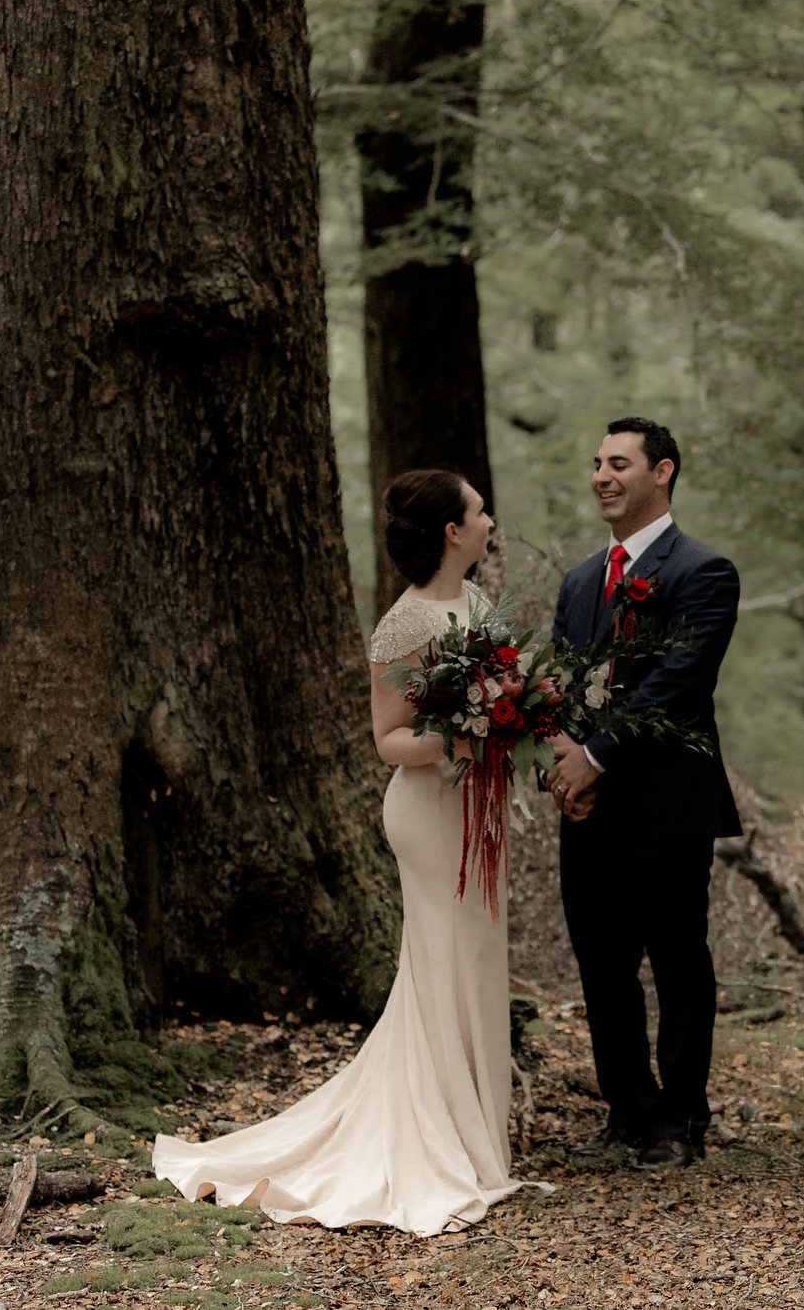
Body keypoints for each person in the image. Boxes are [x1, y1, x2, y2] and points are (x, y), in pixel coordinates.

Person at [152, 470, 519, 1236]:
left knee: (479, 960)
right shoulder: (401, 625)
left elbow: (504, 692)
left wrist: (514, 717)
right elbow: (388, 739)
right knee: (442, 961)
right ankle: (439, 1141)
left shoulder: (478, 602)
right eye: (479, 510)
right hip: (428, 814)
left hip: (476, 808)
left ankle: (481, 1140)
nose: (489, 519)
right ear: (452, 531)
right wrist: (461, 734)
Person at [546, 416, 742, 1169]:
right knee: (601, 964)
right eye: (597, 461)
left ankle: (682, 1117)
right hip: (588, 808)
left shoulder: (705, 572)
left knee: (677, 961)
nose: (602, 474)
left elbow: (678, 685)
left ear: (662, 472)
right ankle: (628, 1109)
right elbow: (557, 687)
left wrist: (594, 756)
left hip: (666, 806)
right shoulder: (578, 581)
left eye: (619, 462)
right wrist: (562, 769)